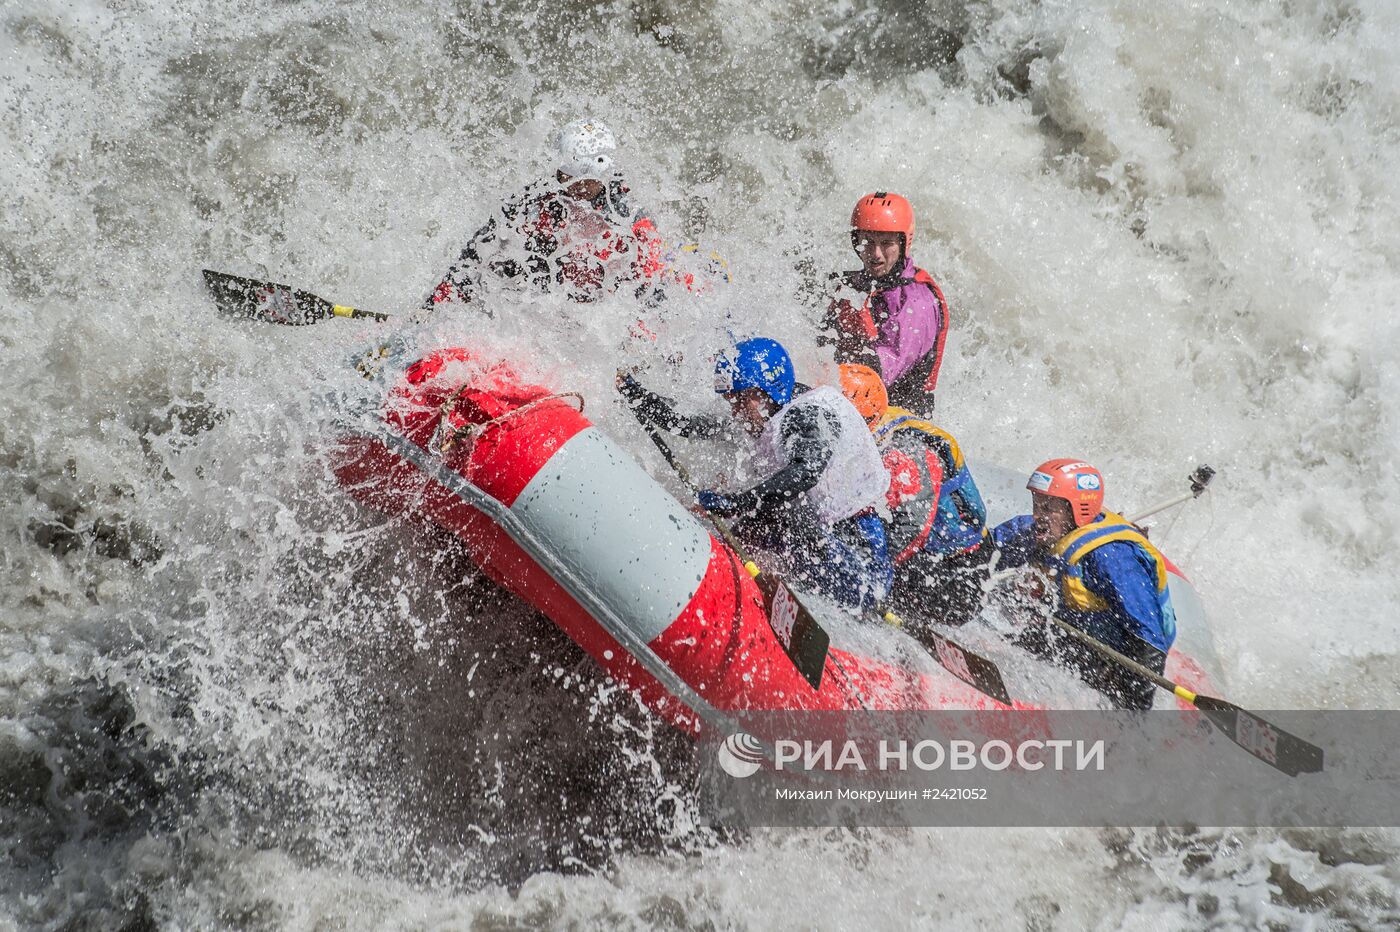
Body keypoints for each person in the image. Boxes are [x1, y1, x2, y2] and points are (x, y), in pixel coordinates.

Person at [618, 338, 892, 611]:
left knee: (773, 514)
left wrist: (737, 502)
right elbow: (689, 424)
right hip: (822, 542)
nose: (735, 412)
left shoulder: (810, 415)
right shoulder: (767, 414)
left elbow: (806, 472)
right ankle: (708, 572)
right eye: (730, 402)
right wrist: (639, 395)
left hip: (862, 568)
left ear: (767, 391)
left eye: (740, 400)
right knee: (754, 519)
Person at [990, 459, 1178, 710]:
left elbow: (1149, 640)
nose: (1038, 515)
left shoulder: (1113, 558)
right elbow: (983, 553)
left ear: (1076, 511)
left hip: (1113, 656)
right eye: (1037, 503)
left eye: (1048, 508)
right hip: (1068, 630)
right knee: (1005, 603)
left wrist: (1133, 714)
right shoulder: (1035, 531)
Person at [424, 119, 666, 308]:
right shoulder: (539, 197)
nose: (571, 187)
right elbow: (478, 250)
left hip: (605, 298)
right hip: (559, 290)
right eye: (565, 177)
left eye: (581, 183)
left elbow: (650, 285)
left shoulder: (628, 214)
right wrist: (436, 303)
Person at [837, 364, 990, 628]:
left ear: (865, 420)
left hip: (955, 571)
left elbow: (913, 528)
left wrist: (873, 572)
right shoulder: (873, 424)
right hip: (925, 551)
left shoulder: (901, 454)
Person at [820, 192, 952, 411]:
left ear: (903, 243)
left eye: (886, 243)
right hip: (852, 403)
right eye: (868, 242)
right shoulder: (850, 286)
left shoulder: (917, 302)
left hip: (899, 423)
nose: (876, 254)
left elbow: (878, 375)